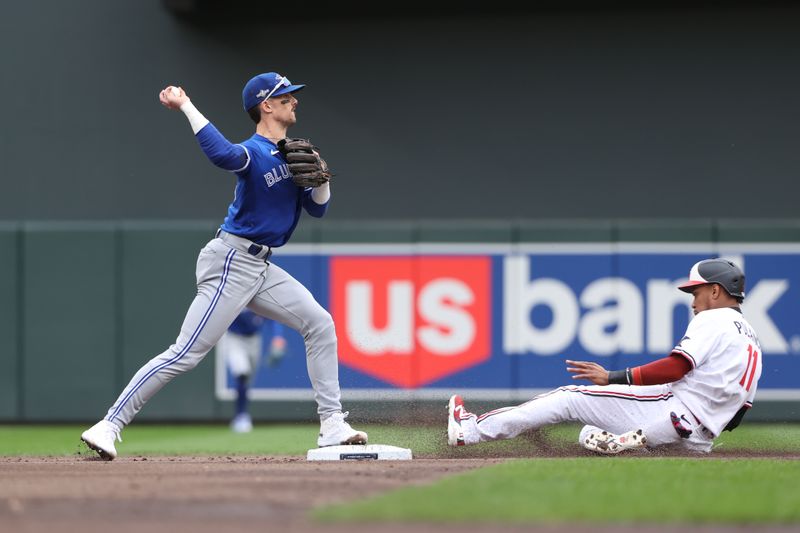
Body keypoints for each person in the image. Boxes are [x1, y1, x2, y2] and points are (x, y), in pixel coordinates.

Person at [81, 72, 367, 460]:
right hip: (231, 261)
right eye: (286, 97)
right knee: (185, 353)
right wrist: (185, 105)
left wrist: (321, 179)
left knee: (320, 323)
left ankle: (332, 423)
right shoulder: (254, 151)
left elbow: (317, 209)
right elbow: (222, 154)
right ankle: (109, 423)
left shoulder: (293, 154)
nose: (294, 101)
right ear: (266, 105)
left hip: (262, 267)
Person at [447, 259, 762, 455]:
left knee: (568, 397)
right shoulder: (751, 339)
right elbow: (737, 414)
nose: (694, 301)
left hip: (674, 412)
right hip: (697, 439)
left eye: (697, 292)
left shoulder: (713, 319)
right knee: (590, 434)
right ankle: (632, 442)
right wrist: (700, 430)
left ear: (716, 291)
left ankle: (470, 430)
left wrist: (612, 377)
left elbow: (678, 366)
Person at [219, 310, 287, 433]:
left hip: (254, 340)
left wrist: (278, 337)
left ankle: (241, 414)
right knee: (242, 373)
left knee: (248, 380)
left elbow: (272, 318)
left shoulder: (259, 297)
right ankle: (241, 416)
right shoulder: (238, 294)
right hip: (234, 338)